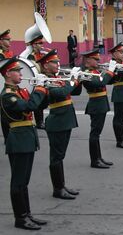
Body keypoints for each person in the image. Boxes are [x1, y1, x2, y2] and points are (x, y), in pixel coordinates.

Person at [0, 58, 49, 230]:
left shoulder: (20, 91)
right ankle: (20, 218)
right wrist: (40, 89)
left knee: (24, 181)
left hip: (27, 138)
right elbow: (28, 107)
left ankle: (27, 214)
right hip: (19, 139)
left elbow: (38, 105)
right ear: (8, 73)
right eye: (17, 71)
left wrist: (45, 89)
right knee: (18, 181)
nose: (21, 74)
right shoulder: (8, 95)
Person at [38, 50, 81, 200]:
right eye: (54, 62)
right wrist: (73, 80)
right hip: (57, 121)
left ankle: (62, 185)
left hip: (65, 120)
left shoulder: (56, 78)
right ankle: (57, 188)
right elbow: (61, 93)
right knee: (56, 157)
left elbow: (75, 92)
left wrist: (78, 81)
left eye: (57, 61)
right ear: (45, 65)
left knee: (60, 156)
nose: (58, 64)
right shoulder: (44, 80)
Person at [80, 49, 118, 168]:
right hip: (96, 105)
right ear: (87, 60)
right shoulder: (87, 73)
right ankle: (94, 160)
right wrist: (109, 72)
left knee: (97, 133)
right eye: (95, 59)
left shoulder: (94, 71)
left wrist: (114, 72)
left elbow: (108, 81)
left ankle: (99, 157)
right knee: (95, 133)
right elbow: (100, 83)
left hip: (100, 103)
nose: (98, 61)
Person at [26, 35, 48, 130]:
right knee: (38, 102)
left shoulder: (41, 54)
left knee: (42, 101)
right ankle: (39, 122)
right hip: (36, 79)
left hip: (42, 78)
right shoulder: (32, 55)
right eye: (40, 43)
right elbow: (34, 68)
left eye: (42, 43)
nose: (42, 45)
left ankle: (40, 121)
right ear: (34, 45)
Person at [0, 29, 13, 142]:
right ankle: (7, 137)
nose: (10, 42)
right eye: (7, 40)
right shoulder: (0, 55)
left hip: (7, 84)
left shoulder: (7, 53)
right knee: (4, 112)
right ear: (1, 41)